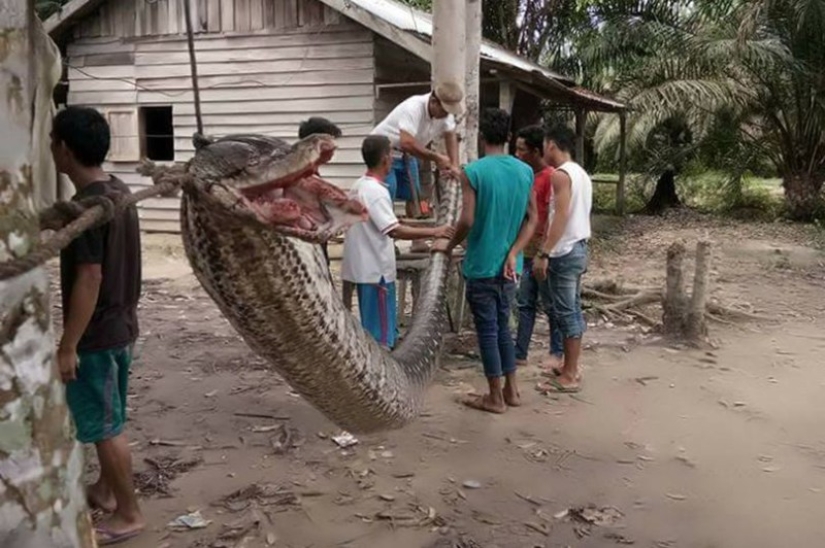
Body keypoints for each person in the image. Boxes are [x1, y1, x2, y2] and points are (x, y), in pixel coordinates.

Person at [51, 106, 145, 545]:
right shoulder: (118, 191)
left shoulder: (89, 208)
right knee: (110, 415)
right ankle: (107, 492)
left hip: (99, 334)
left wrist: (68, 344)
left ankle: (129, 513)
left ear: (64, 149)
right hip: (123, 325)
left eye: (53, 142)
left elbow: (90, 276)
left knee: (106, 428)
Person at [437, 108, 537, 413]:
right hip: (510, 266)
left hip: (481, 264)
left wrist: (450, 243)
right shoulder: (524, 171)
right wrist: (514, 251)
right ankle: (512, 390)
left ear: (482, 137)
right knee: (504, 327)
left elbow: (466, 219)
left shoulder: (475, 172)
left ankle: (494, 396)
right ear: (508, 137)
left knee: (488, 331)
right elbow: (532, 219)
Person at [341, 135, 454, 349]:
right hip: (376, 271)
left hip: (362, 268)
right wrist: (435, 231)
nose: (393, 160)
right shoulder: (375, 192)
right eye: (391, 155)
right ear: (385, 159)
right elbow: (394, 231)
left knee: (373, 328)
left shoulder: (359, 186)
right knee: (380, 337)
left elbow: (381, 223)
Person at [533, 124, 593, 393]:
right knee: (571, 308)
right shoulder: (581, 173)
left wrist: (545, 251)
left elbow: (562, 215)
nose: (542, 150)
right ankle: (570, 365)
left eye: (544, 145)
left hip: (565, 250)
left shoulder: (560, 175)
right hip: (578, 246)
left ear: (552, 146)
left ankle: (570, 373)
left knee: (566, 311)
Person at [370, 82, 462, 250]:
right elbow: (406, 142)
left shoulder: (445, 114)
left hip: (408, 154)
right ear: (434, 101)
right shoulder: (413, 107)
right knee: (386, 194)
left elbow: (451, 136)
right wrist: (436, 157)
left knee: (415, 197)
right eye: (443, 110)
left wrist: (454, 164)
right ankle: (387, 241)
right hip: (385, 152)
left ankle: (417, 240)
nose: (445, 115)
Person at [513, 125, 564, 368]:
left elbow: (551, 217)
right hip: (526, 250)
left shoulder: (550, 177)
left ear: (535, 151)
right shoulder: (524, 175)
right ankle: (520, 352)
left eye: (522, 150)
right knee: (525, 303)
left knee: (550, 304)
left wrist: (544, 252)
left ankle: (557, 351)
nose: (517, 154)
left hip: (543, 253)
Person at [298, 116, 343, 269]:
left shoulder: (310, 171)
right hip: (307, 254)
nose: (334, 147)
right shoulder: (301, 175)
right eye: (330, 141)